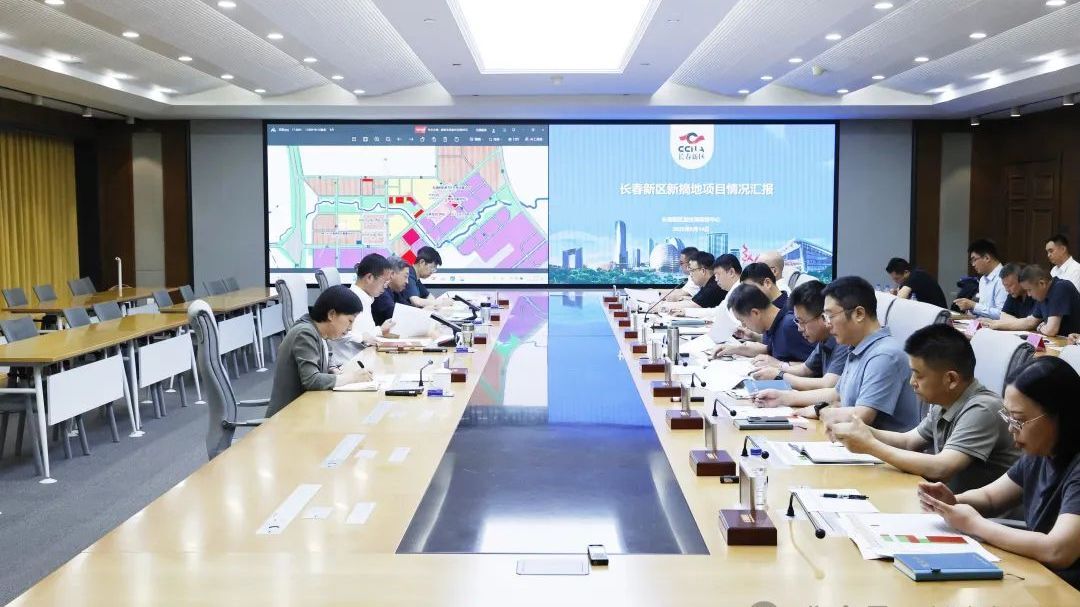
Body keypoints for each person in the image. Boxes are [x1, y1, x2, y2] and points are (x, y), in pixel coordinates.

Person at [918, 357, 1080, 588]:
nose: (1011, 428)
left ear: (1060, 415)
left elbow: (1058, 550)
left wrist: (974, 524)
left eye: (1019, 420)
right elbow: (991, 498)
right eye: (1008, 417)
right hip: (1042, 579)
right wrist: (951, 502)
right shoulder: (1041, 451)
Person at [830, 325, 1019, 494]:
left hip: (984, 516)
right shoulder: (945, 401)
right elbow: (909, 442)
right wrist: (863, 431)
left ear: (951, 379)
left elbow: (942, 468)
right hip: (952, 508)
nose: (912, 382)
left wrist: (870, 446)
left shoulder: (983, 409)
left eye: (918, 375)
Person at [753, 276, 921, 432]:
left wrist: (820, 411)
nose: (827, 324)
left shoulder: (884, 355)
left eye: (829, 316)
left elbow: (862, 416)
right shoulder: (857, 348)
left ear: (859, 314)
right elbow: (836, 394)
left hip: (879, 451)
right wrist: (782, 397)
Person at [267, 286, 373, 417]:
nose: (350, 328)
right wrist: (352, 377)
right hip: (287, 417)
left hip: (307, 409)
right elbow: (311, 380)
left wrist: (333, 370)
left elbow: (327, 360)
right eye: (349, 321)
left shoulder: (321, 333)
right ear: (331, 314)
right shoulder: (305, 333)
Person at [750, 280, 849, 389]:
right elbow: (805, 369)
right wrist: (776, 369)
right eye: (797, 321)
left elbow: (828, 385)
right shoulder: (823, 339)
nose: (799, 329)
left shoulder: (843, 341)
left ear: (823, 317)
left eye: (802, 322)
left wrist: (780, 375)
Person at [713, 283, 813, 362]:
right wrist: (734, 349)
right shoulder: (773, 326)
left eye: (743, 321)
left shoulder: (789, 327)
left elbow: (816, 367)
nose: (743, 325)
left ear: (755, 313)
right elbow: (770, 350)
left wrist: (780, 366)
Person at [991, 265, 1080, 337]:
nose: (1029, 294)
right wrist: (997, 324)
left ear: (1042, 283)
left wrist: (1041, 327)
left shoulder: (1060, 287)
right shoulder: (1042, 295)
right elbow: (1030, 322)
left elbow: (1051, 330)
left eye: (1029, 290)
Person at [347, 253, 396, 343]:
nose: (385, 287)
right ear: (369, 277)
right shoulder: (348, 300)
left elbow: (366, 333)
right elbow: (338, 336)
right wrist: (379, 331)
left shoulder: (366, 298)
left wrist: (380, 331)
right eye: (384, 282)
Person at [954, 239, 1006, 319]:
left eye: (974, 260)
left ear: (987, 258)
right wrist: (970, 309)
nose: (973, 264)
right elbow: (983, 310)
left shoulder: (1003, 278)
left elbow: (1002, 314)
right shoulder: (983, 279)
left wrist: (973, 305)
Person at [986, 263, 1035, 329]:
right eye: (1005, 286)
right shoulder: (1012, 295)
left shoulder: (1035, 294)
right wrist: (1023, 323)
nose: (1007, 290)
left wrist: (1001, 324)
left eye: (1010, 285)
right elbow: (1003, 317)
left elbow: (1032, 323)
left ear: (1021, 280)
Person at [371, 256, 412, 326]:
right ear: (392, 274)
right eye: (405, 276)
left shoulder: (395, 292)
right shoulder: (381, 293)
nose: (407, 282)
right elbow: (396, 316)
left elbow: (409, 309)